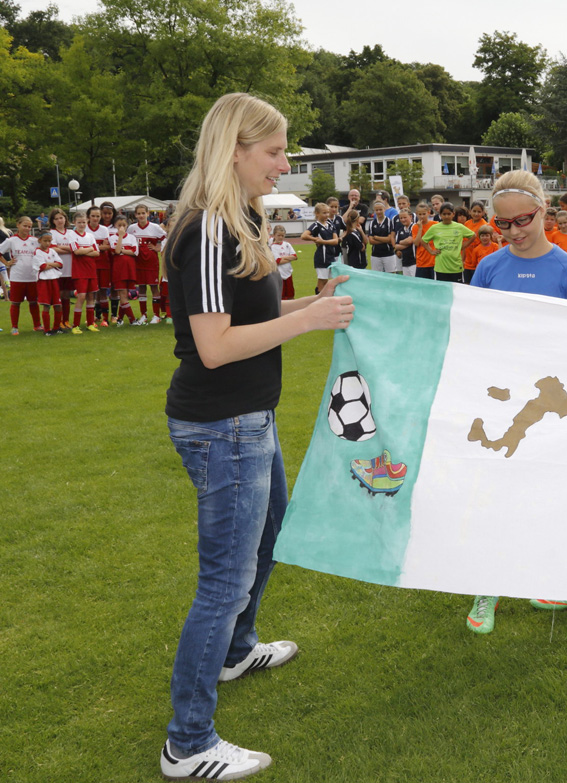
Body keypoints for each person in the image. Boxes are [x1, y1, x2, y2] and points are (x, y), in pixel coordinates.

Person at [159, 92, 354, 781]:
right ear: (234, 151)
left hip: (249, 418)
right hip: (223, 425)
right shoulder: (210, 228)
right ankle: (188, 741)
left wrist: (321, 301)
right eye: (274, 151)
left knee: (269, 536)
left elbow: (263, 310)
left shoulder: (235, 221)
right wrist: (310, 320)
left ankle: (237, 648)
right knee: (225, 578)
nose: (286, 163)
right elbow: (215, 345)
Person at [464, 169, 567, 634]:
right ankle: (487, 586)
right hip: (499, 400)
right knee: (493, 493)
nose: (515, 231)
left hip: (550, 404)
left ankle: (552, 575)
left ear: (544, 211)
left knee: (547, 493)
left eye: (524, 219)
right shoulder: (489, 267)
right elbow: (471, 330)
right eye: (504, 224)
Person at [0, 216, 40, 334]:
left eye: (29, 227)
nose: (27, 228)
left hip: (32, 277)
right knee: (16, 303)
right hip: (17, 277)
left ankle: (37, 325)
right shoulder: (11, 240)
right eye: (25, 226)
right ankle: (14, 327)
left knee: (33, 302)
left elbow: (43, 252)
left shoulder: (34, 240)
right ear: (18, 225)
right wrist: (7, 263)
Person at [129, 204, 168, 324]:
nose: (141, 215)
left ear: (148, 214)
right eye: (138, 213)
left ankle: (156, 315)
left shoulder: (155, 227)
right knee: (141, 287)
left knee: (153, 287)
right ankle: (143, 315)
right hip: (138, 262)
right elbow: (126, 239)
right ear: (135, 215)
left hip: (151, 262)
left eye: (143, 213)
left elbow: (166, 237)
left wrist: (159, 247)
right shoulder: (131, 228)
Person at [422, 202, 475, 283]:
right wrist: (431, 251)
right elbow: (423, 240)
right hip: (441, 268)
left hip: (456, 267)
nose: (446, 216)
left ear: (453, 214)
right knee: (442, 291)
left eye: (449, 214)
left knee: (457, 291)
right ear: (440, 214)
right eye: (444, 214)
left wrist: (463, 246)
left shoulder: (459, 227)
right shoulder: (435, 228)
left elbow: (473, 235)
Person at [68, 211, 101, 334]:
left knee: (91, 296)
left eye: (83, 222)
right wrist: (90, 249)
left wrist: (84, 250)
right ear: (74, 223)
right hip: (79, 271)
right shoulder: (72, 235)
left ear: (87, 222)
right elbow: (76, 252)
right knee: (81, 296)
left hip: (91, 270)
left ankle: (90, 323)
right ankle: (75, 325)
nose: (82, 225)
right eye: (79, 222)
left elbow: (97, 253)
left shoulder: (90, 236)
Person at [301, 203, 339, 290]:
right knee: (322, 280)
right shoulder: (316, 225)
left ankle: (323, 297)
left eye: (327, 212)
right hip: (322, 257)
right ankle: (319, 299)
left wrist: (323, 241)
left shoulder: (330, 224)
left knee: (329, 280)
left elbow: (336, 241)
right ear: (317, 213)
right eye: (324, 213)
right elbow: (303, 236)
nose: (327, 215)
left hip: (331, 256)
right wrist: (314, 239)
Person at [33, 231, 64, 334]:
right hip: (43, 281)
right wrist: (53, 264)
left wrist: (49, 264)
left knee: (58, 304)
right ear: (40, 240)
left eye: (49, 241)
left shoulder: (52, 251)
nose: (47, 243)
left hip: (54, 279)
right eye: (45, 241)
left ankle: (56, 328)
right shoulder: (37, 252)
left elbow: (60, 263)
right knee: (46, 305)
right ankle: (47, 330)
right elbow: (42, 266)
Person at [111, 216, 140, 325]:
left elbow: (135, 252)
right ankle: (132, 320)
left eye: (124, 225)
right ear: (115, 226)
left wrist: (124, 250)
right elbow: (117, 251)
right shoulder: (113, 238)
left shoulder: (132, 237)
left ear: (127, 225)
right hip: (119, 269)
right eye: (119, 225)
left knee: (125, 293)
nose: (122, 227)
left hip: (129, 268)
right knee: (122, 294)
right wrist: (121, 237)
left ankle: (120, 320)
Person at [364, 201, 397, 273]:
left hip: (388, 254)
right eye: (376, 210)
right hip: (376, 255)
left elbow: (389, 239)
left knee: (391, 275)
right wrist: (383, 239)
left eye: (380, 209)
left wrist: (376, 237)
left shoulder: (389, 222)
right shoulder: (372, 223)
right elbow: (371, 241)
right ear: (374, 211)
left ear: (384, 209)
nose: (378, 212)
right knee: (377, 277)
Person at [271, 224, 298, 298]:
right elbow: (278, 261)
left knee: (291, 295)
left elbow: (295, 257)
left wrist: (284, 258)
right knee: (281, 296)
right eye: (278, 235)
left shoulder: (287, 245)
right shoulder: (273, 247)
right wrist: (289, 258)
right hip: (279, 274)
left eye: (282, 236)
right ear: (274, 235)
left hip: (288, 273)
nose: (280, 237)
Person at [411, 202, 437, 279]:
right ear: (416, 214)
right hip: (421, 262)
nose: (422, 216)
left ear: (428, 213)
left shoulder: (435, 224)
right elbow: (416, 243)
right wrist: (420, 228)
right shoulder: (415, 227)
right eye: (420, 214)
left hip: (433, 261)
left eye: (424, 214)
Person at [394, 209, 416, 277]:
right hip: (404, 262)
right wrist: (407, 244)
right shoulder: (400, 230)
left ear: (410, 217)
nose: (403, 220)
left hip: (414, 262)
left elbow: (410, 240)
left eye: (405, 217)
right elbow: (396, 246)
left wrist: (401, 242)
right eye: (401, 218)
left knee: (415, 283)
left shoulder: (414, 227)